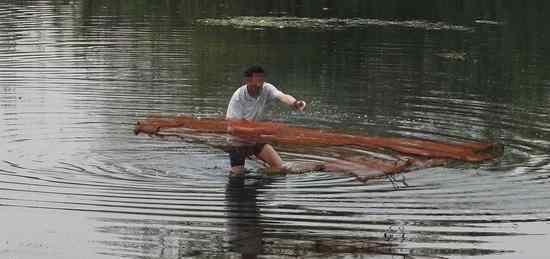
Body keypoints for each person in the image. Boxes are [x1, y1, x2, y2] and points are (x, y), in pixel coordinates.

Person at [226, 65, 306, 175]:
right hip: (237, 142)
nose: (260, 85)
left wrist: (295, 103)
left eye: (262, 79)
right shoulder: (238, 97)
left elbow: (282, 96)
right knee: (238, 175)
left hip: (256, 139)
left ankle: (259, 173)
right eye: (257, 80)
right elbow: (232, 129)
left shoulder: (266, 88)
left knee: (280, 168)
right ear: (248, 81)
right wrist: (262, 132)